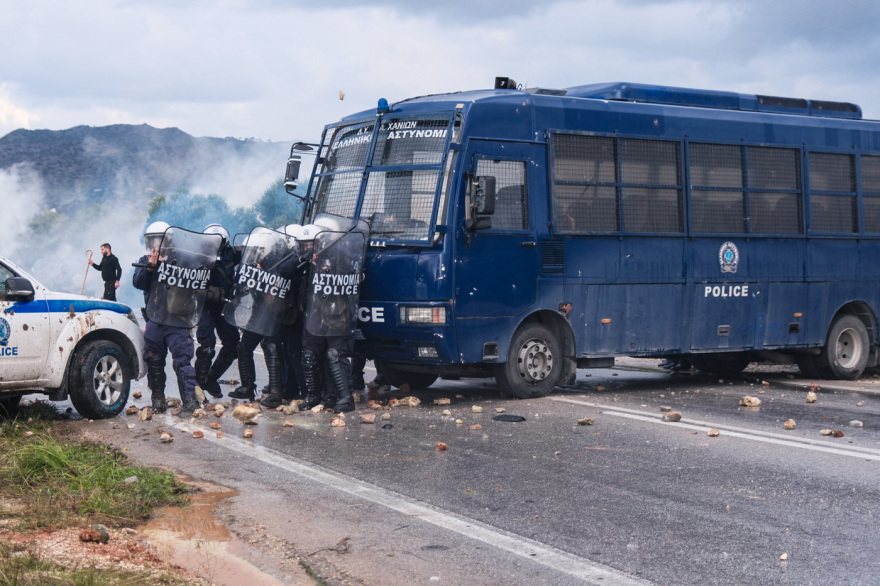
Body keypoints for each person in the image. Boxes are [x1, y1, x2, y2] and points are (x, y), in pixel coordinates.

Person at [132, 221, 204, 415]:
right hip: (155, 319)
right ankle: (157, 399)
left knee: (182, 361)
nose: (156, 243)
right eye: (152, 239)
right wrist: (150, 267)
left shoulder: (183, 259)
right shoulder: (145, 259)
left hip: (178, 320)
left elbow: (201, 273)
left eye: (159, 238)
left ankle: (189, 400)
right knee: (154, 359)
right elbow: (138, 283)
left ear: (169, 240)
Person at [194, 224, 240, 399]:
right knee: (207, 346)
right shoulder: (198, 257)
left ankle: (211, 379)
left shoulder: (233, 254)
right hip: (205, 306)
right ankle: (197, 388)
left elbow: (249, 264)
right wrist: (209, 292)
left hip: (225, 306)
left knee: (233, 345)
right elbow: (191, 282)